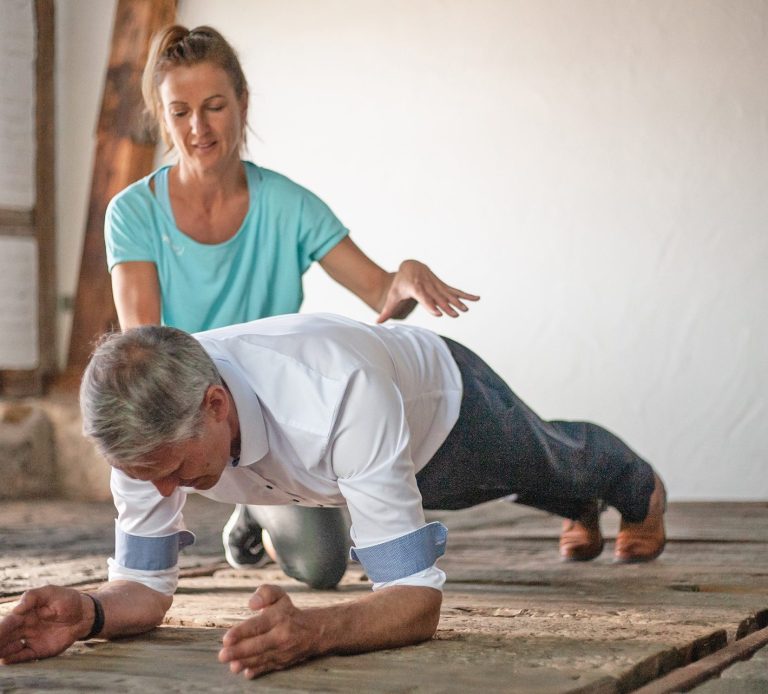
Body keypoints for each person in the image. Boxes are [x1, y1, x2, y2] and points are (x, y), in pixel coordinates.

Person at [0, 314, 666, 679]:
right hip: (315, 475)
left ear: (215, 405)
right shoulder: (145, 442)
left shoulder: (335, 393)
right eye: (146, 478)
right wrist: (87, 611)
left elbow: (417, 603)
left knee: (551, 463)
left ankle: (638, 490)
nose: (165, 493)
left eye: (175, 471)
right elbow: (145, 590)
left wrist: (317, 630)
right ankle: (576, 506)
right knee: (535, 487)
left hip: (447, 412)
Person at [107, 25, 479, 588]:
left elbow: (379, 293)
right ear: (162, 117)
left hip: (271, 419)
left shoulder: (288, 203)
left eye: (214, 107)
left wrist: (402, 281)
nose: (198, 128)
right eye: (180, 112)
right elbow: (146, 348)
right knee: (317, 560)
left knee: (320, 569)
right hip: (191, 420)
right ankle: (245, 496)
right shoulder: (131, 212)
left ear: (242, 104)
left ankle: (251, 500)